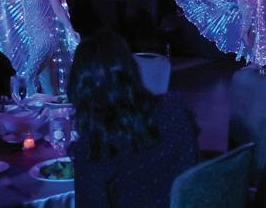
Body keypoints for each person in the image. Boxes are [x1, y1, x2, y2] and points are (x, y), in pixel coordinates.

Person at [68, 30, 199, 207]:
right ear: (131, 69)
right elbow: (192, 169)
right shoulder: (175, 109)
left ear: (79, 87)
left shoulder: (94, 148)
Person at [5, 0, 79, 93]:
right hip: (34, 40)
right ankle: (51, 104)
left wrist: (70, 28)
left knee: (29, 76)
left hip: (45, 40)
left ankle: (30, 104)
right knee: (46, 81)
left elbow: (58, 9)